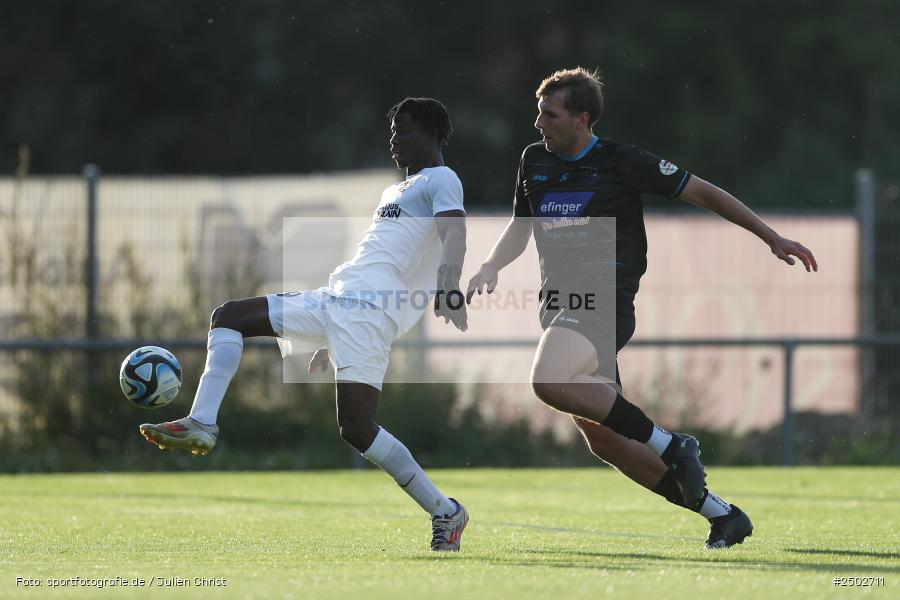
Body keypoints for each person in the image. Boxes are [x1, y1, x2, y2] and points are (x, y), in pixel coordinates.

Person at [466, 67, 818, 549]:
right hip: (558, 308)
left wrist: (771, 237)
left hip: (603, 300)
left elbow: (704, 192)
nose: (538, 123)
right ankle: (723, 515)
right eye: (539, 113)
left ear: (582, 119)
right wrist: (491, 265)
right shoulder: (534, 161)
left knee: (548, 381)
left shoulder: (620, 161)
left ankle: (674, 445)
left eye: (549, 114)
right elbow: (520, 226)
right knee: (606, 439)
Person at [140, 97, 471, 552]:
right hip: (335, 300)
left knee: (357, 428)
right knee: (228, 316)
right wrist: (327, 336)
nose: (394, 139)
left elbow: (454, 232)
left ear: (431, 134)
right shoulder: (394, 191)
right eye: (393, 131)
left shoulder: (442, 179)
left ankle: (446, 512)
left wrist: (449, 284)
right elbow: (383, 257)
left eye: (404, 130)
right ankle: (203, 422)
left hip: (367, 312)